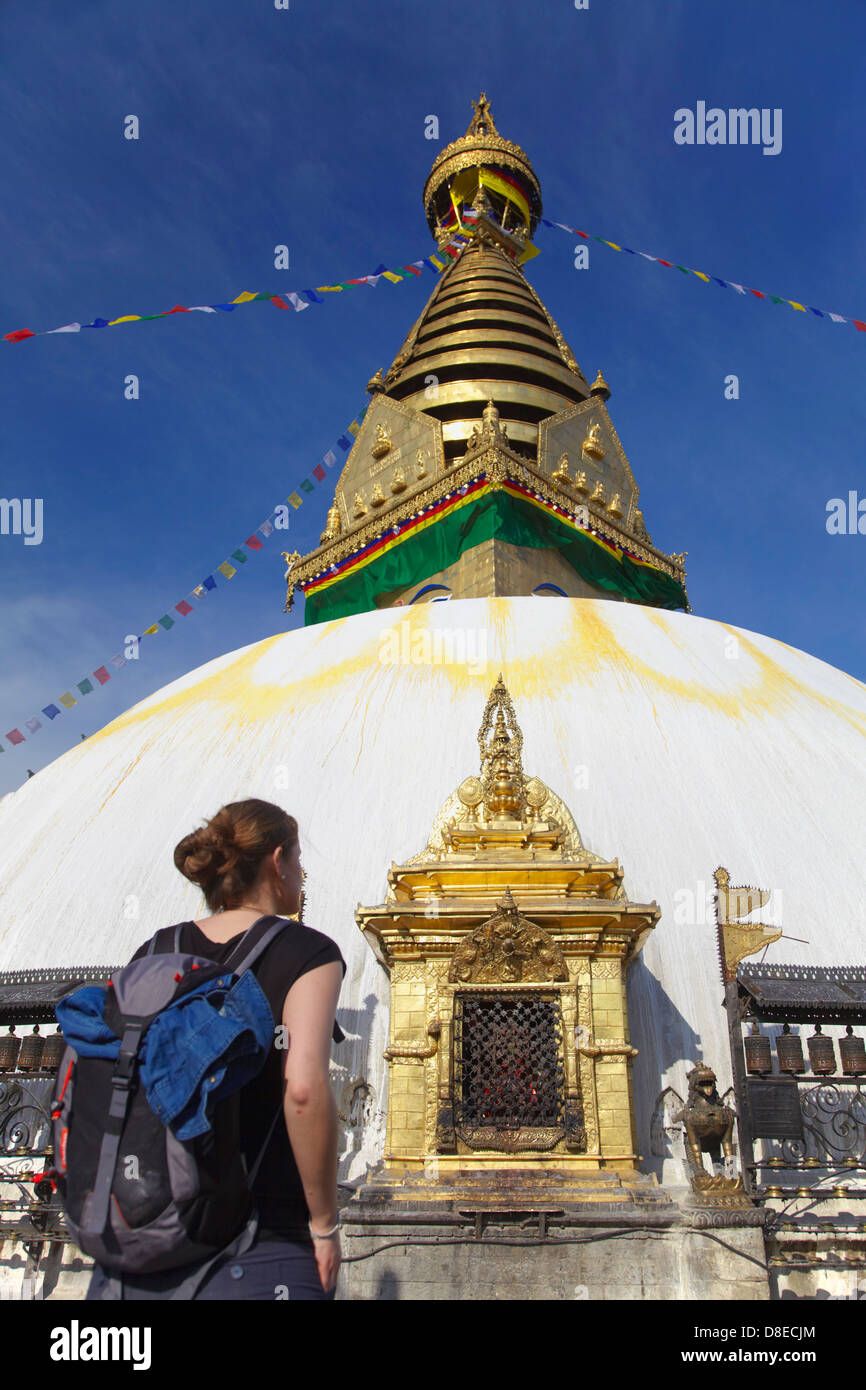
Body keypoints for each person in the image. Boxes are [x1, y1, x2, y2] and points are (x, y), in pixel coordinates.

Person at [85, 798, 345, 1301]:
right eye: (296, 858)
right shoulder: (306, 952)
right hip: (261, 1238)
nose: (300, 871)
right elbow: (305, 1090)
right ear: (276, 861)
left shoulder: (156, 950)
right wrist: (324, 1224)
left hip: (144, 1234)